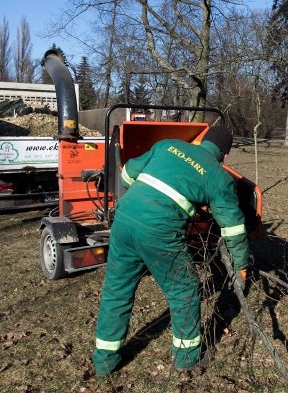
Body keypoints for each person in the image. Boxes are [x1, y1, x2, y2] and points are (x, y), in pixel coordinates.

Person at [92, 125, 249, 377]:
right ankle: (187, 358)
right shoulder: (219, 177)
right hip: (159, 231)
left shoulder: (168, 145)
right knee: (185, 292)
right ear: (225, 154)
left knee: (116, 289)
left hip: (123, 221)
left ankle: (104, 362)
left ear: (201, 141)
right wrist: (240, 265)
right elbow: (233, 228)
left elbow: (127, 176)